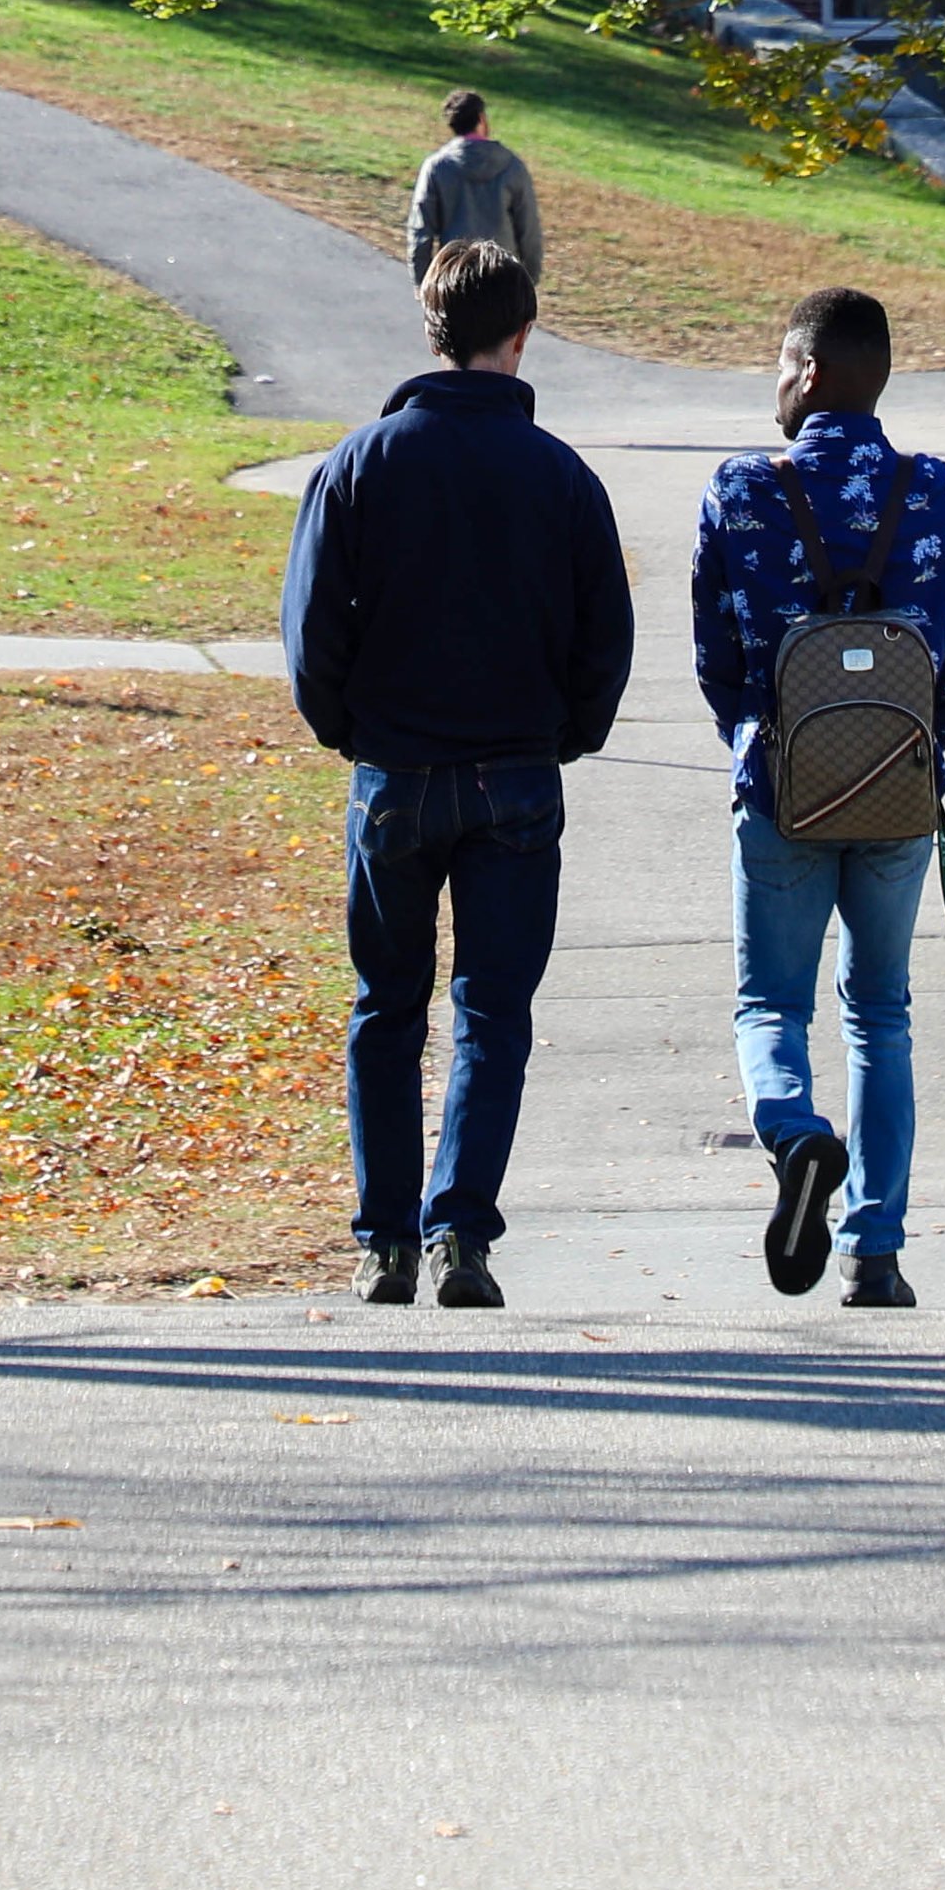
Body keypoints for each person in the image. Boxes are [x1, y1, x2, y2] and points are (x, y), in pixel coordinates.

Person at [282, 238, 633, 1310]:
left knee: (386, 1004)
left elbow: (310, 638)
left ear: (429, 329)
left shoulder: (360, 464)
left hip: (396, 769)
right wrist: (565, 732)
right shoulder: (563, 477)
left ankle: (382, 1236)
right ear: (521, 336)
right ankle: (461, 1234)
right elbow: (602, 639)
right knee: (492, 1011)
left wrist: (354, 729)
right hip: (516, 772)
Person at [695, 283, 945, 1310]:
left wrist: (757, 739)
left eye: (781, 360)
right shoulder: (941, 492)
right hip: (900, 797)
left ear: (810, 371)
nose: (774, 379)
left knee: (772, 1000)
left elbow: (716, 657)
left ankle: (796, 1132)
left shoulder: (739, 489)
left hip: (782, 789)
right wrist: (916, 754)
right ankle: (875, 1250)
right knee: (883, 1014)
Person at [406, 88, 543, 292]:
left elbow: (421, 230)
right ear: (481, 118)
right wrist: (529, 279)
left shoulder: (437, 167)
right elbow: (529, 229)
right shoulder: (512, 166)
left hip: (454, 278)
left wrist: (423, 283)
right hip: (503, 279)